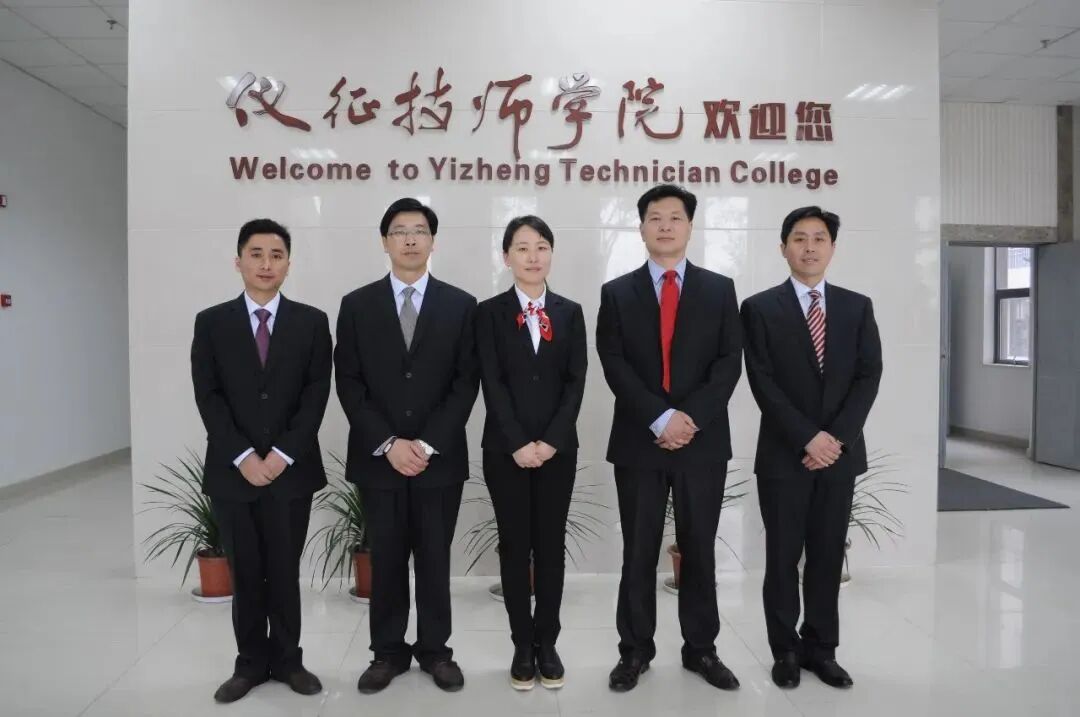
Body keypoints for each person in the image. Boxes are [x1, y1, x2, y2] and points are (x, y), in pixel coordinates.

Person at [596, 184, 743, 693]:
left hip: (702, 441)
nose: (665, 226)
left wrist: (689, 418)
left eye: (675, 217)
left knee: (699, 548)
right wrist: (660, 419)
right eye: (655, 217)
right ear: (641, 228)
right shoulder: (617, 293)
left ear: (690, 227)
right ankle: (634, 651)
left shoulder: (719, 290)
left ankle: (701, 649)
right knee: (638, 549)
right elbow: (613, 362)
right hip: (640, 441)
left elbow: (728, 362)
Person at [335, 198, 480, 694]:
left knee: (435, 560)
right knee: (388, 559)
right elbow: (349, 382)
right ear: (385, 242)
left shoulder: (461, 305)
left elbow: (466, 382)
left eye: (419, 230)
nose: (410, 239)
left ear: (433, 241)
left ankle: (436, 651)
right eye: (399, 231)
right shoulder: (357, 305)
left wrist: (428, 443)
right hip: (380, 460)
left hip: (440, 461)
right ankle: (388, 653)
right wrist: (389, 442)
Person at [740, 206, 882, 690]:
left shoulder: (857, 307)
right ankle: (784, 650)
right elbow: (762, 381)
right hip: (784, 456)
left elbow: (868, 375)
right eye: (799, 238)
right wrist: (807, 437)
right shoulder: (759, 308)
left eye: (819, 238)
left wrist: (835, 439)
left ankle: (822, 649)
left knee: (826, 556)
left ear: (833, 248)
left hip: (838, 456)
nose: (809, 247)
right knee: (782, 558)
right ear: (783, 248)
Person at [191, 218, 332, 704]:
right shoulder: (211, 322)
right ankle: (249, 663)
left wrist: (283, 455)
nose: (266, 264)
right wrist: (244, 455)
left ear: (289, 264)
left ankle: (289, 660)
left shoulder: (312, 322)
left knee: (284, 569)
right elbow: (208, 396)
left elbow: (315, 394)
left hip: (291, 472)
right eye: (256, 254)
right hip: (233, 473)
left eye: (276, 255)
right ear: (239, 262)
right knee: (246, 571)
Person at [475, 215, 587, 691]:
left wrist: (552, 440)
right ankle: (522, 643)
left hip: (558, 451)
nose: (533, 256)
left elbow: (576, 381)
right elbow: (491, 381)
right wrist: (519, 442)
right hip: (506, 451)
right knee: (515, 547)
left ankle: (548, 642)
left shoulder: (570, 312)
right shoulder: (488, 313)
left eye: (541, 246)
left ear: (551, 254)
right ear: (507, 257)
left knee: (551, 547)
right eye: (522, 247)